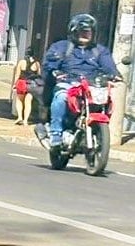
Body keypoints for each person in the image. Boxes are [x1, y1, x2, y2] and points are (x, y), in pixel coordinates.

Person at [38, 13, 120, 149]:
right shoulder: (61, 47)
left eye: (88, 31)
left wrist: (114, 75)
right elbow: (49, 65)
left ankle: (96, 133)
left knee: (106, 101)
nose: (85, 34)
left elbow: (109, 66)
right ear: (73, 31)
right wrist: (55, 72)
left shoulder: (100, 51)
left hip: (91, 86)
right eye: (81, 31)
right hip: (68, 83)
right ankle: (56, 134)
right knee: (61, 97)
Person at [11, 48, 42, 125]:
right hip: (31, 84)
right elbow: (39, 75)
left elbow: (17, 75)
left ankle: (20, 117)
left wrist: (14, 84)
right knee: (28, 102)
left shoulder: (21, 62)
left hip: (22, 83)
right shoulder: (37, 64)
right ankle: (25, 120)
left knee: (19, 100)